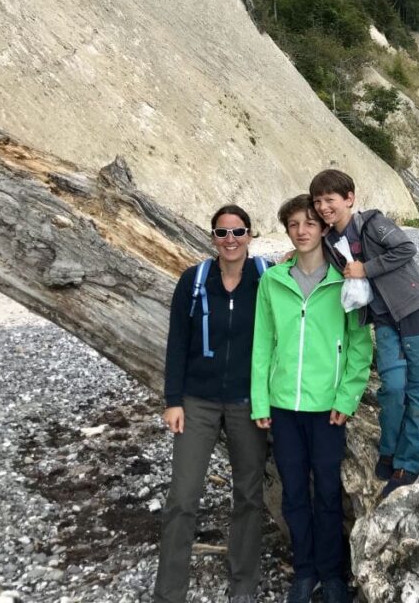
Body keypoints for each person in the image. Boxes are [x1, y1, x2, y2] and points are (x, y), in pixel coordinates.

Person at [251, 195, 373, 603]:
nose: (301, 231)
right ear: (287, 230)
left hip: (328, 410)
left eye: (309, 223)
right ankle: (304, 572)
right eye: (293, 225)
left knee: (327, 492)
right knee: (293, 493)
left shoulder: (345, 280)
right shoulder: (272, 280)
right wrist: (261, 401)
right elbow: (262, 344)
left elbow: (359, 344)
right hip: (284, 406)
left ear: (322, 228)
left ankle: (332, 573)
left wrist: (347, 396)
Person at [155, 205, 268, 603]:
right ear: (213, 238)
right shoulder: (195, 279)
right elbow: (178, 343)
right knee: (183, 497)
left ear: (251, 235)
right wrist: (173, 401)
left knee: (249, 496)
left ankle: (243, 584)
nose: (230, 240)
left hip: (249, 403)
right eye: (222, 233)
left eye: (238, 232)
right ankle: (169, 592)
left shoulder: (267, 278)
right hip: (197, 402)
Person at [309, 169, 419, 498]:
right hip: (383, 318)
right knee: (393, 387)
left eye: (330, 200)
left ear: (349, 199)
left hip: (415, 310)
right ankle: (388, 447)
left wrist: (367, 268)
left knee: (417, 391)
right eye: (318, 201)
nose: (324, 206)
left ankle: (407, 461)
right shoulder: (330, 242)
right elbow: (314, 258)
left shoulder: (373, 223)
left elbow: (406, 248)